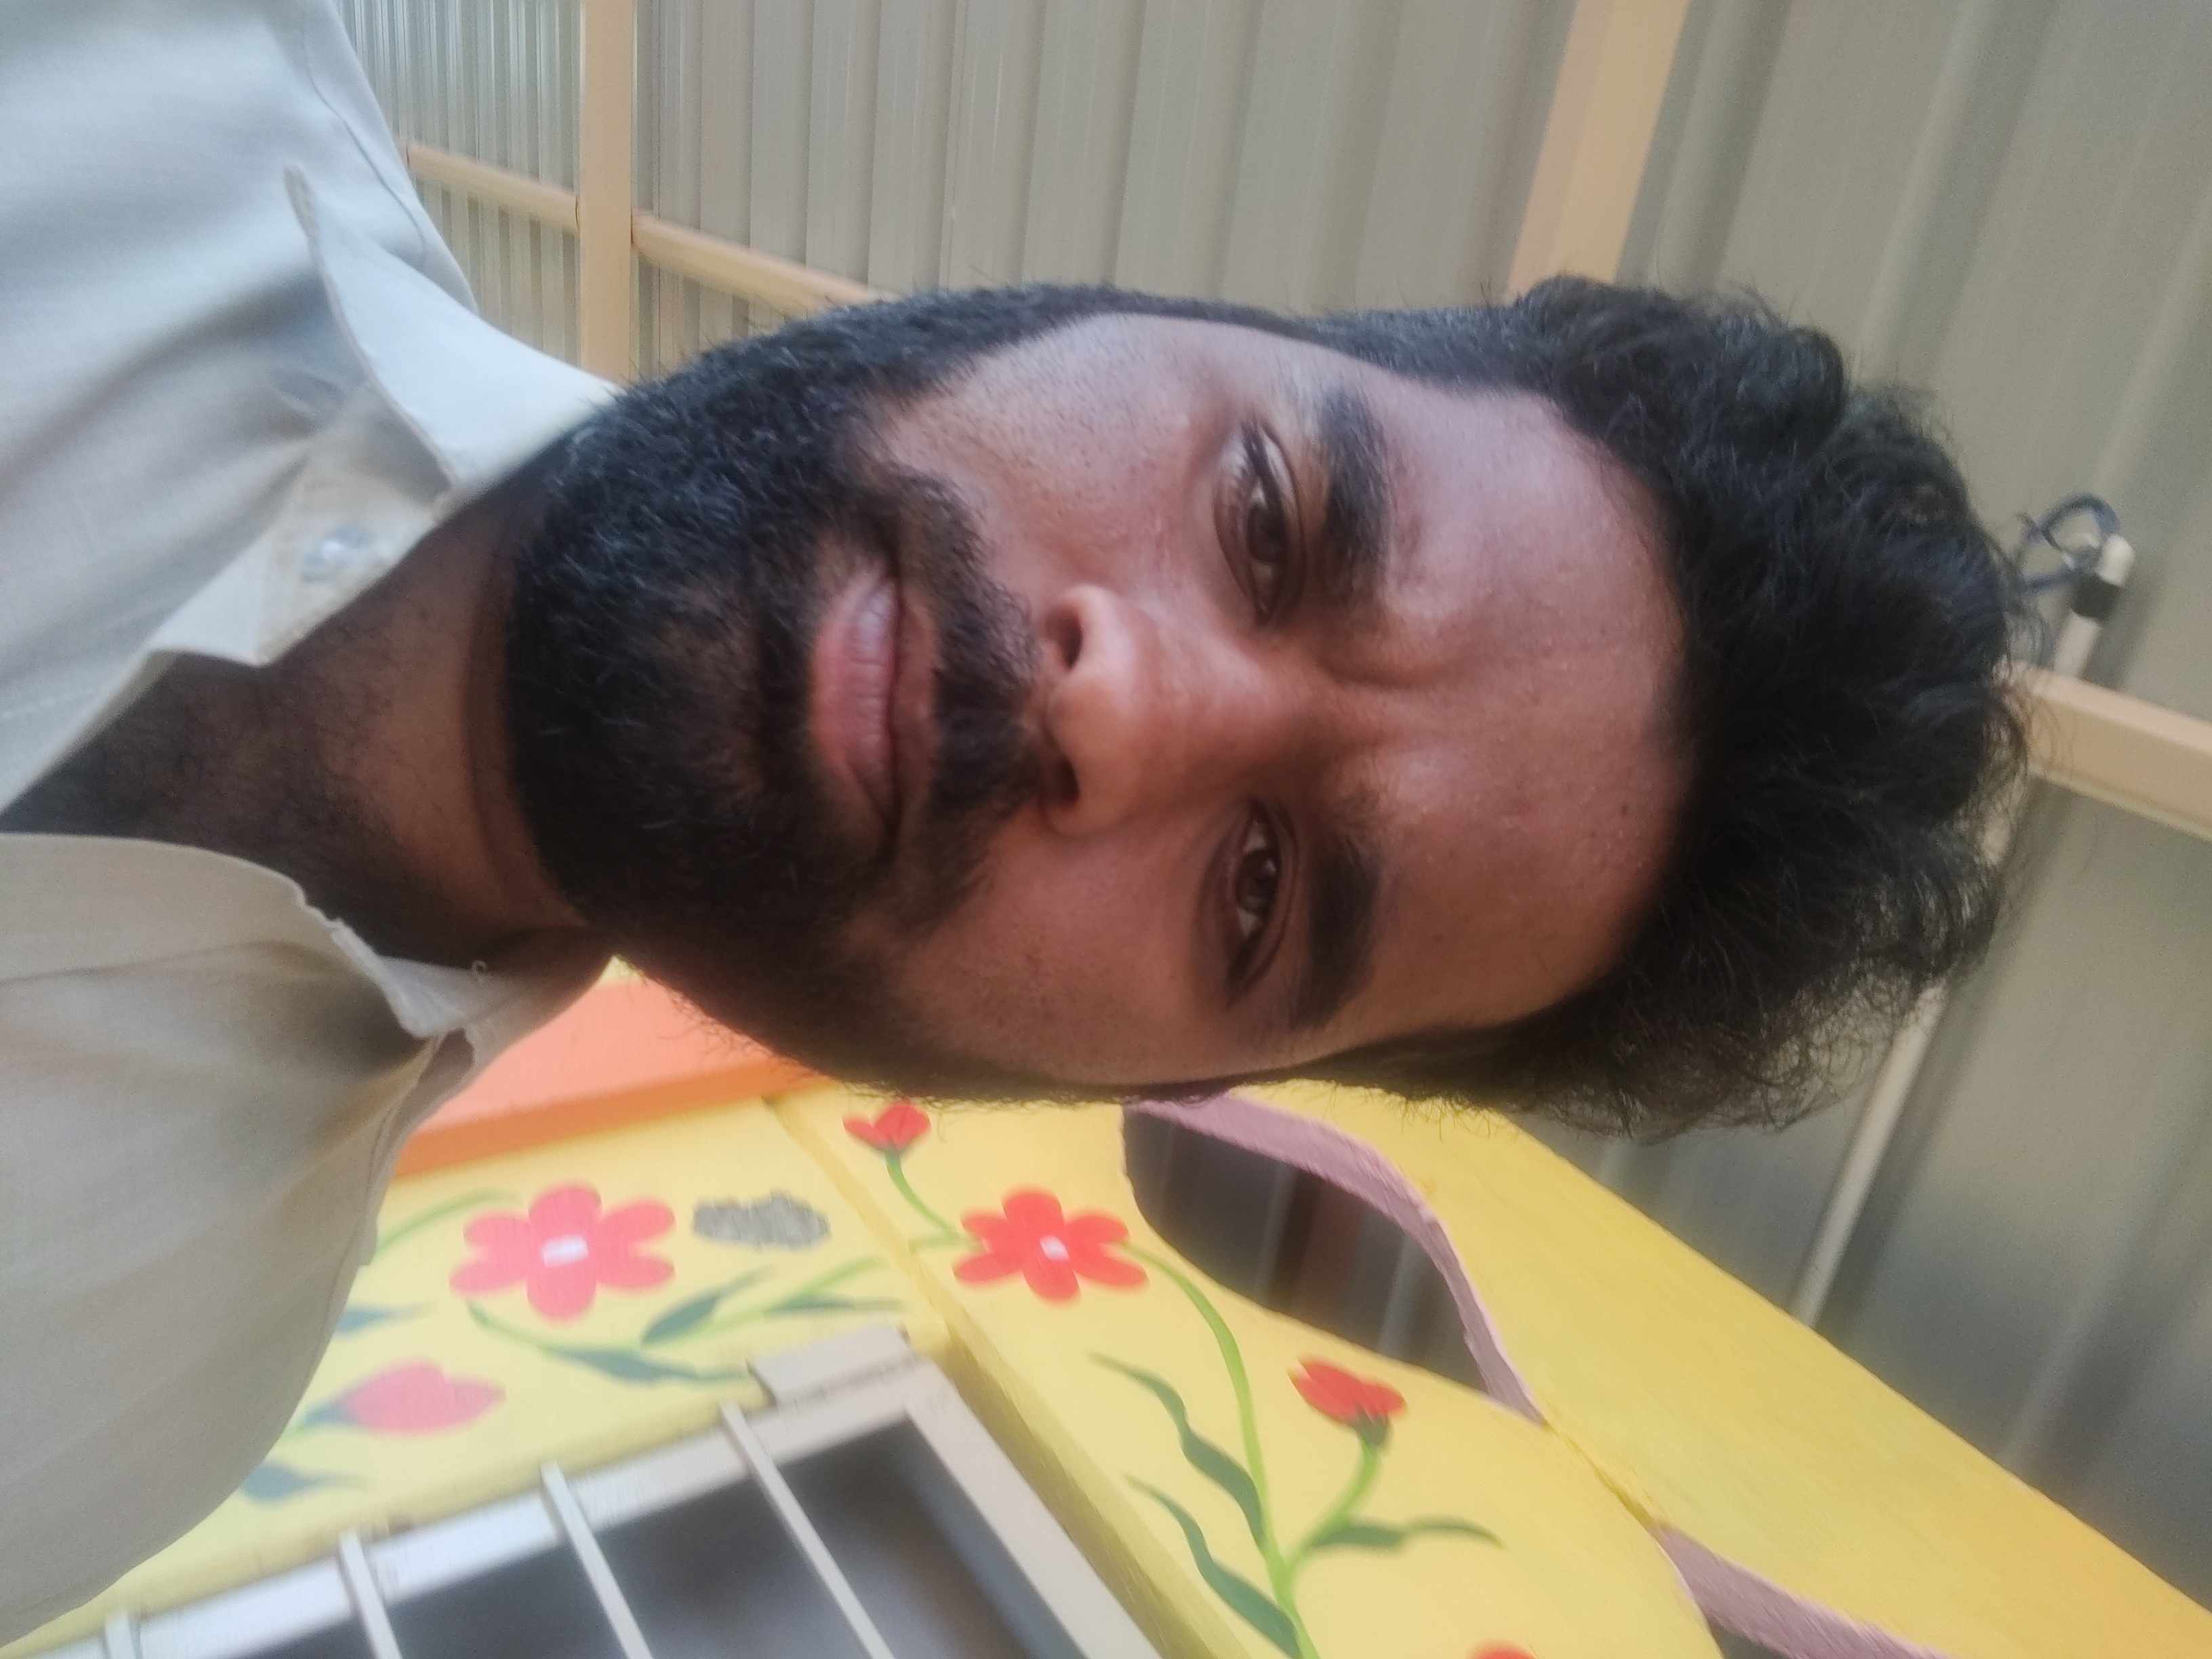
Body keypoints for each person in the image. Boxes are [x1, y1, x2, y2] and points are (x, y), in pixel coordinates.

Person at [0, 0, 2025, 1639]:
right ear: (1136, 309)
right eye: (1266, 520)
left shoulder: (111, 1417)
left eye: (1260, 890)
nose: (1122, 707)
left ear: (1136, 1085)